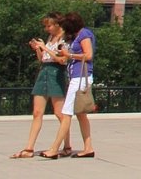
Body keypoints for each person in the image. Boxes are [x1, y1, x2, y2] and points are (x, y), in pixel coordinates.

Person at [13, 13, 71, 159]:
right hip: (44, 72)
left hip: (57, 73)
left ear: (58, 25)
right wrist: (38, 49)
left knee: (60, 113)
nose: (47, 29)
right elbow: (43, 59)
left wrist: (44, 48)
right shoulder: (50, 37)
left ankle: (67, 145)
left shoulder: (65, 38)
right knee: (37, 112)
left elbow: (62, 60)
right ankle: (29, 148)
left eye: (49, 25)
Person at [40, 12, 95, 159]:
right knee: (81, 114)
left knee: (66, 113)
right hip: (76, 76)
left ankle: (54, 149)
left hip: (80, 77)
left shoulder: (84, 34)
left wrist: (69, 55)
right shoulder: (79, 35)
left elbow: (89, 55)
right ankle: (88, 148)